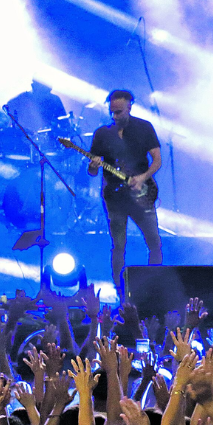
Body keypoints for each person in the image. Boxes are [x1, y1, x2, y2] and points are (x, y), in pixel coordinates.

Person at [88, 90, 163, 289]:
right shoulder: (102, 133)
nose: (114, 116)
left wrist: (142, 178)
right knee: (118, 245)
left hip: (142, 194)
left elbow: (157, 160)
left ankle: (154, 284)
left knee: (154, 242)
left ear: (130, 107)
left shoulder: (144, 128)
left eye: (119, 112)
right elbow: (93, 172)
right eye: (112, 112)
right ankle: (119, 288)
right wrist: (94, 166)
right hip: (114, 197)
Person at [1, 80, 69, 159]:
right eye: (43, 90)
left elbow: (65, 123)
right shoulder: (17, 101)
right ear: (33, 86)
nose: (46, 93)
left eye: (48, 90)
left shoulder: (55, 100)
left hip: (50, 147)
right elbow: (6, 126)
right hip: (22, 147)